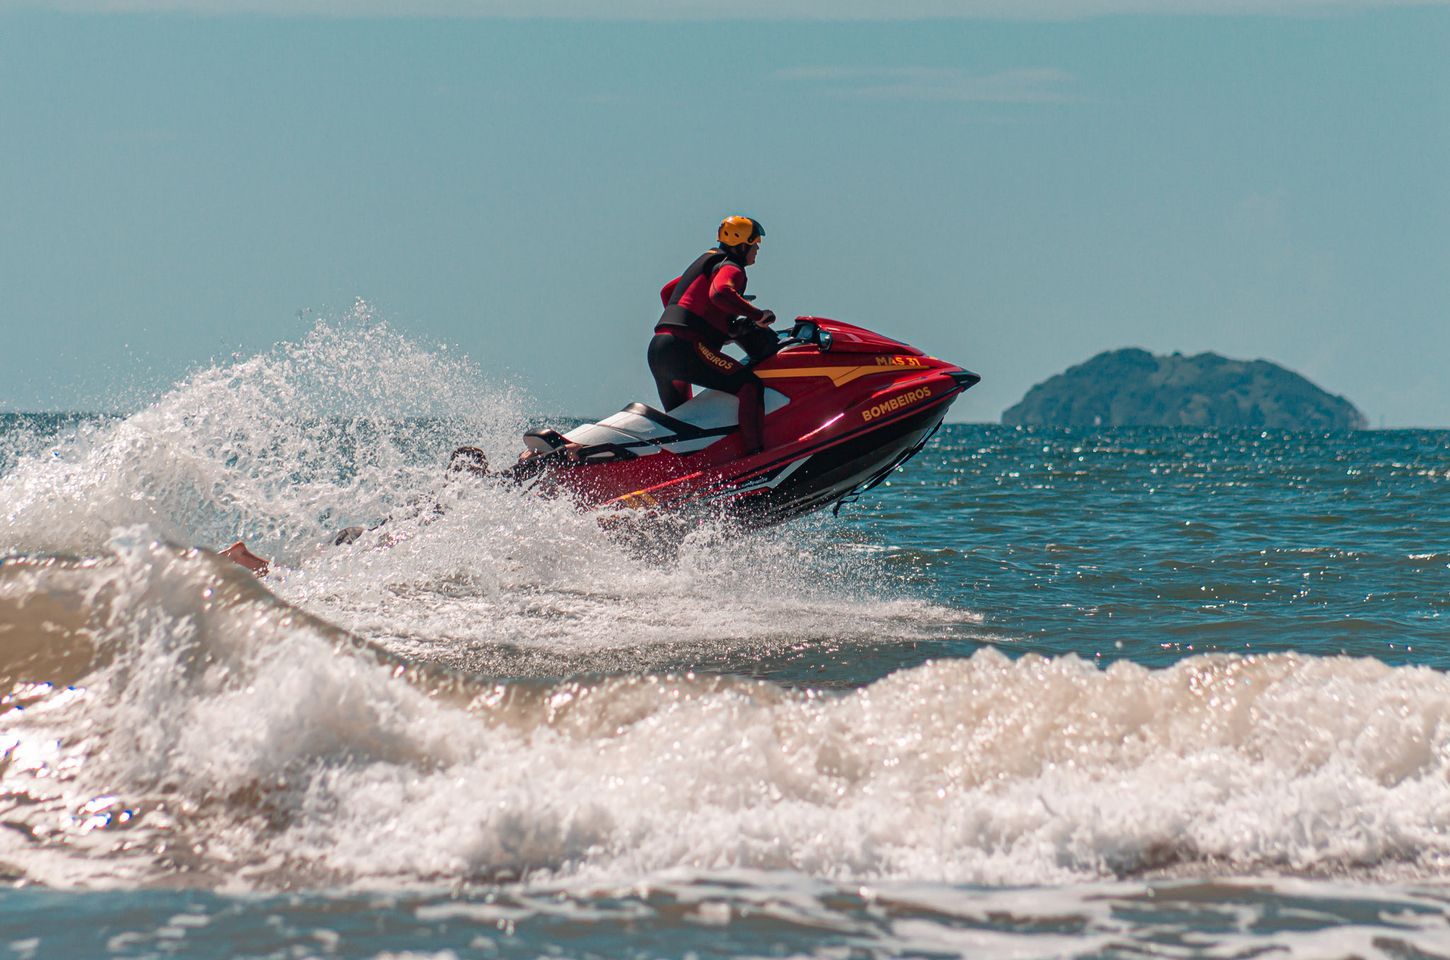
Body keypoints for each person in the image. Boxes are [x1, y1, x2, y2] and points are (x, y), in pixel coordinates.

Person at [649, 216, 777, 455]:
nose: (757, 249)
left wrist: (708, 323)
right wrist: (757, 315)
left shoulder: (708, 261)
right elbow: (720, 293)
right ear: (741, 245)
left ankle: (689, 473)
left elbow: (668, 291)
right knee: (749, 385)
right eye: (755, 244)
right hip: (685, 347)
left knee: (686, 421)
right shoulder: (731, 267)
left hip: (660, 348)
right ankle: (756, 457)